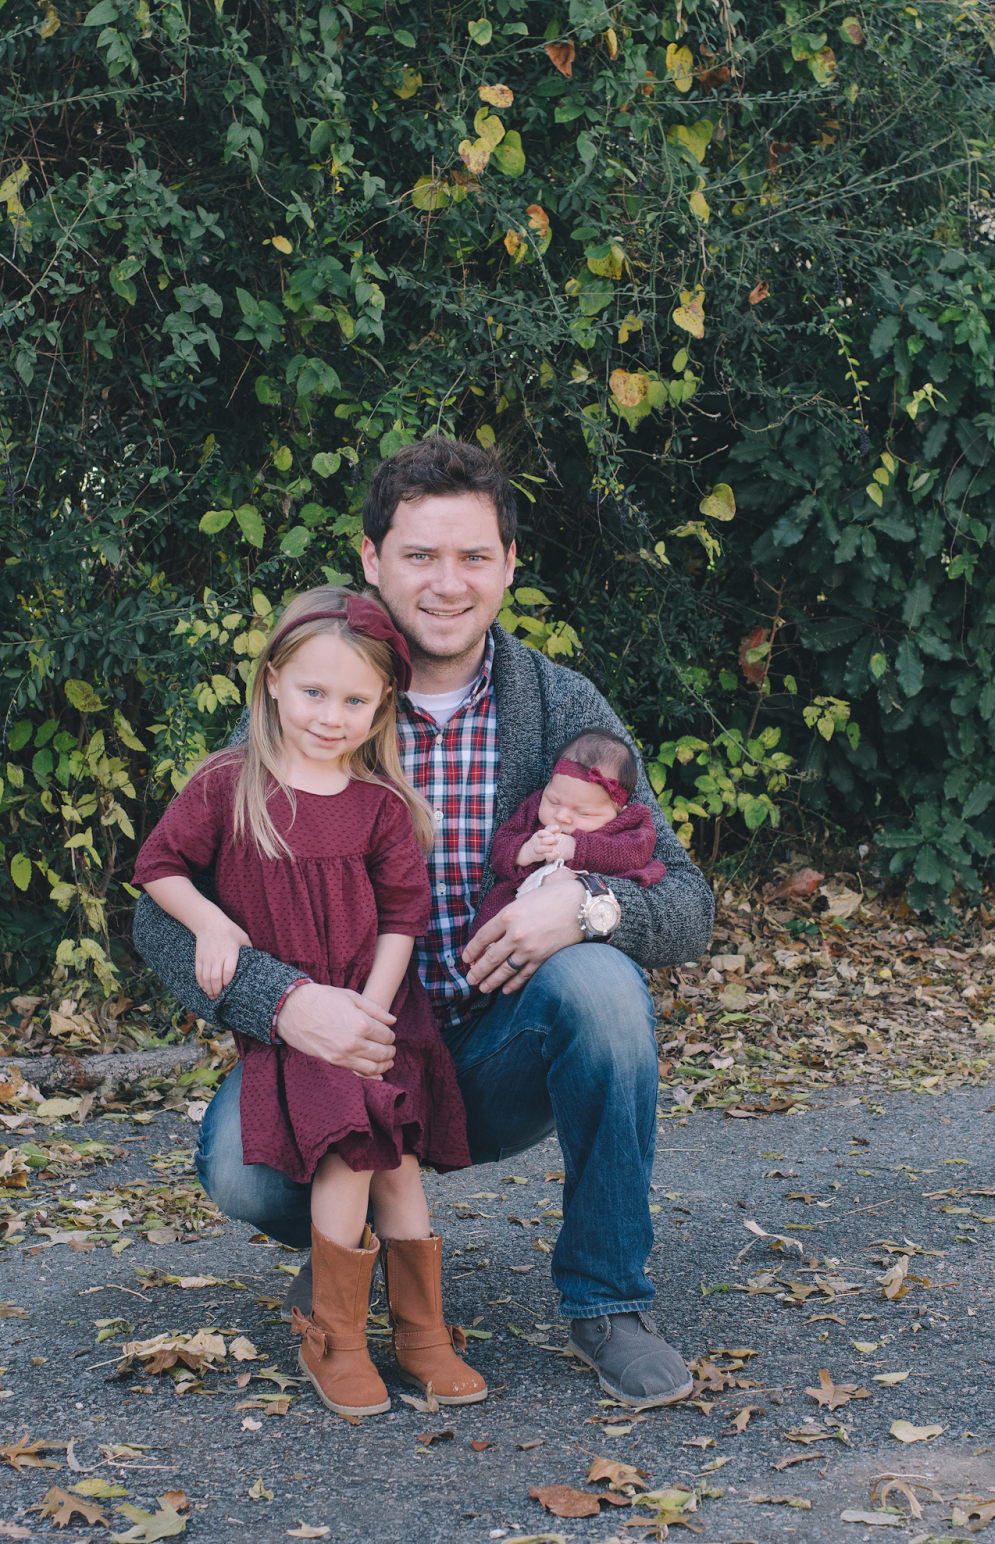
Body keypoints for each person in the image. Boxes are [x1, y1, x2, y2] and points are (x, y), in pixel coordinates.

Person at [133, 434, 715, 1409]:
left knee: (605, 988)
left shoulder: (560, 706)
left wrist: (586, 905)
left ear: (510, 565)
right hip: (340, 1044)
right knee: (236, 1169)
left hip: (492, 1053)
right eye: (419, 555)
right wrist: (284, 1003)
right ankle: (347, 1256)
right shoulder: (317, 697)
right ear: (372, 559)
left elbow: (688, 904)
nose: (448, 583)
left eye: (474, 556)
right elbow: (160, 916)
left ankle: (608, 1300)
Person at [133, 588, 486, 1421]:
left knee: (396, 1162)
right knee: (349, 1154)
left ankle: (422, 1336)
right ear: (271, 682)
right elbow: (158, 868)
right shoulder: (228, 784)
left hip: (374, 1010)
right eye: (313, 693)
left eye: (354, 700)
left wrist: (368, 1013)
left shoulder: (380, 804)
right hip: (295, 1025)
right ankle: (337, 1340)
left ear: (382, 704)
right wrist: (210, 921)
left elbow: (402, 917)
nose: (331, 716)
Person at [470, 727, 666, 937]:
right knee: (489, 940)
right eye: (553, 801)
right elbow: (501, 847)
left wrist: (577, 848)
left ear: (619, 812)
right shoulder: (533, 808)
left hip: (583, 925)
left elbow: (634, 855)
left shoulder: (629, 822)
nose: (562, 816)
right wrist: (525, 851)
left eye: (582, 812)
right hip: (515, 907)